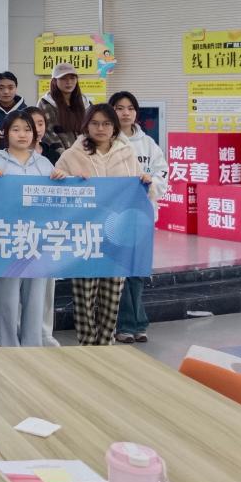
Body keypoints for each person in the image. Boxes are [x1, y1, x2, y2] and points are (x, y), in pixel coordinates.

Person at [55, 103, 154, 346]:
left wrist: (144, 182)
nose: (101, 128)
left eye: (107, 123)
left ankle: (106, 344)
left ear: (114, 127)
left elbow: (140, 197)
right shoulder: (71, 155)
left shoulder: (127, 153)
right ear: (86, 126)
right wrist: (63, 179)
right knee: (85, 296)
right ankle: (87, 344)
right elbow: (56, 195)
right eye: (95, 123)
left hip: (117, 237)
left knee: (112, 295)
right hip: (84, 236)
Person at [0, 112, 67, 347]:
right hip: (6, 240)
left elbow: (58, 200)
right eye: (16, 129)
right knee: (7, 300)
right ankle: (8, 346)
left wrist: (62, 179)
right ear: (6, 133)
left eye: (27, 129)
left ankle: (32, 346)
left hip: (37, 241)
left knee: (35, 299)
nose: (22, 134)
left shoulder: (44, 164)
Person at [109, 91, 168, 344]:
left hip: (142, 215)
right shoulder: (107, 140)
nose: (125, 113)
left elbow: (162, 173)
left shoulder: (148, 143)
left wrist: (149, 181)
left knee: (138, 270)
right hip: (114, 217)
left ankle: (136, 323)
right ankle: (126, 324)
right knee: (120, 271)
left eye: (130, 108)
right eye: (119, 108)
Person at [23, 104, 63, 345]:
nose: (35, 129)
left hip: (46, 229)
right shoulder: (5, 155)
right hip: (18, 229)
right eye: (29, 124)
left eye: (39, 124)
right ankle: (22, 329)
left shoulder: (54, 156)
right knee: (19, 283)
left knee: (47, 283)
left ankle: (45, 332)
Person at [38, 63, 90, 157]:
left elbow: (90, 130)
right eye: (63, 78)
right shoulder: (46, 103)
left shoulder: (85, 102)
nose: (69, 82)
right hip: (59, 158)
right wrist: (65, 155)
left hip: (85, 156)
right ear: (54, 81)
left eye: (72, 78)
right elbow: (48, 133)